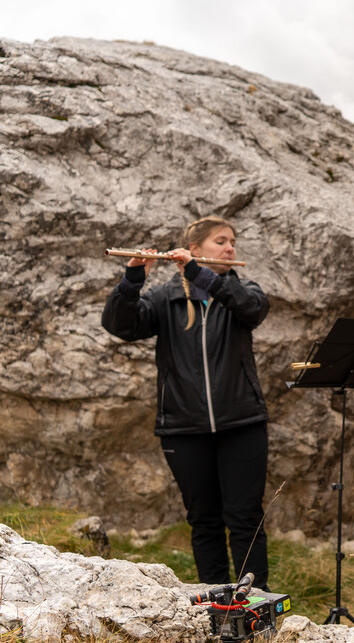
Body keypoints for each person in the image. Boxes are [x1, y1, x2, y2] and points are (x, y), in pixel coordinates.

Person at [101, 216, 271, 590]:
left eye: (232, 242)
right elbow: (120, 325)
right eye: (220, 242)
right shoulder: (166, 298)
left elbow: (252, 308)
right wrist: (133, 278)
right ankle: (216, 603)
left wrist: (202, 275)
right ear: (194, 250)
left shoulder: (243, 292)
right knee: (204, 520)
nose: (230, 248)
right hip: (183, 428)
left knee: (245, 517)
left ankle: (254, 603)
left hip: (241, 423)